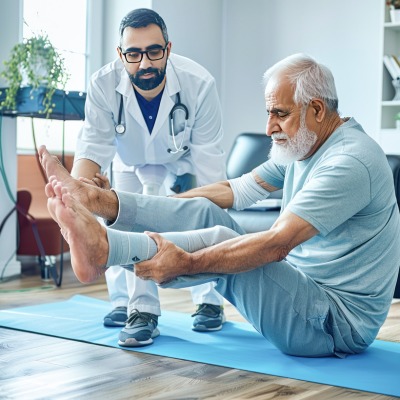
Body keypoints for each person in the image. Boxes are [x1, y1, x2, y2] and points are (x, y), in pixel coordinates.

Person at [39, 53, 400, 357]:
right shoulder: (306, 145)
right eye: (268, 112)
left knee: (221, 233)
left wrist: (190, 262)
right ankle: (96, 200)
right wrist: (126, 202)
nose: (269, 126)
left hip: (331, 325)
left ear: (317, 109)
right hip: (302, 296)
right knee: (204, 211)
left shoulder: (350, 162)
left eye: (279, 113)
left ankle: (104, 249)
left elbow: (277, 244)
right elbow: (233, 191)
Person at [71, 8, 227, 346]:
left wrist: (201, 201)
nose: (145, 63)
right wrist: (77, 200)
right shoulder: (102, 84)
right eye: (134, 54)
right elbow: (92, 149)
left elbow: (210, 162)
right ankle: (133, 306)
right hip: (129, 162)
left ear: (168, 50)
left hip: (183, 162)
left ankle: (209, 301)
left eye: (154, 52)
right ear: (121, 55)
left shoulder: (199, 84)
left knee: (201, 219)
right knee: (121, 222)